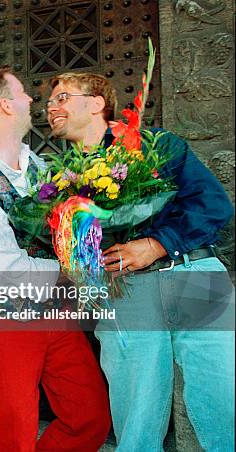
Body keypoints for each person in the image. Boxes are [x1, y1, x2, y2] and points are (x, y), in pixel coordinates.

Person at [47, 72, 235, 451]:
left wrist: (157, 243)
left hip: (195, 272)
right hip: (125, 292)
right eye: (50, 102)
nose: (51, 107)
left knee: (225, 396)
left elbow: (214, 205)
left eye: (62, 97)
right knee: (136, 415)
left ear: (97, 102)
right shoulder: (59, 181)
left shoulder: (156, 146)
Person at [0, 67, 111, 452]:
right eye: (22, 93)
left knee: (89, 417)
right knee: (15, 435)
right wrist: (78, 268)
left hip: (55, 313)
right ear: (6, 106)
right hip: (2, 321)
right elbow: (8, 274)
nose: (30, 100)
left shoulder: (40, 167)